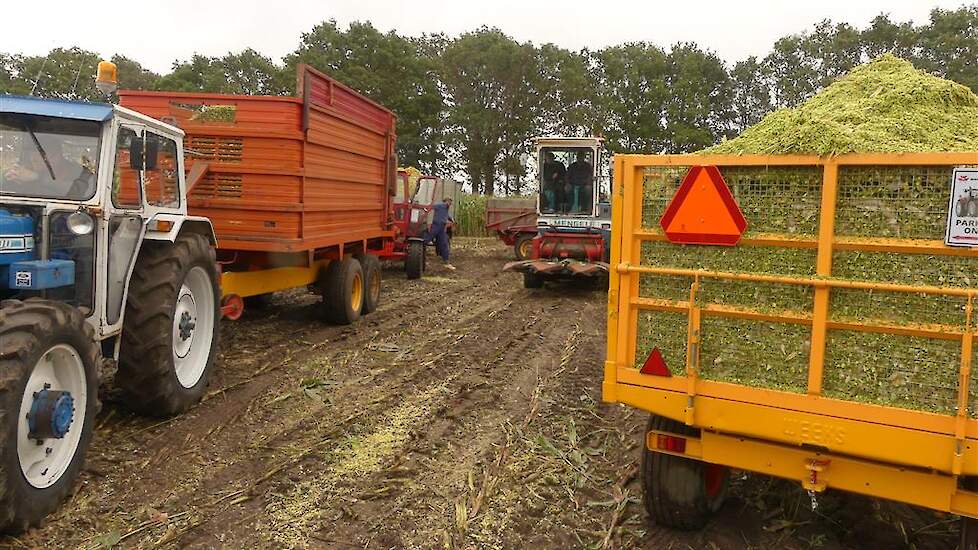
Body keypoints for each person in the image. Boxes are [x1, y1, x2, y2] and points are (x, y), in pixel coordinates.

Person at [3, 139, 95, 199]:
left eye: (39, 155)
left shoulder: (81, 173)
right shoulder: (27, 170)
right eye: (31, 154)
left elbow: (82, 193)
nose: (33, 159)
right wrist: (10, 180)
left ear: (56, 156)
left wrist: (38, 178)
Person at [425, 197, 456, 271]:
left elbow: (446, 215)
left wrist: (451, 219)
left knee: (444, 243)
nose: (450, 204)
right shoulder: (440, 205)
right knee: (425, 241)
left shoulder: (446, 208)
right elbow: (430, 207)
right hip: (436, 226)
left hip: (442, 227)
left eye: (451, 203)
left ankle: (446, 262)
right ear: (446, 201)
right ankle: (419, 258)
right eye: (449, 202)